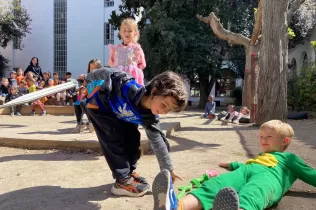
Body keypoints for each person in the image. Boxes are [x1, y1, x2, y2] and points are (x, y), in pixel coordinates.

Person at [152, 120, 316, 210]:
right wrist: (231, 164)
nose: (263, 140)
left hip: (269, 177)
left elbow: (310, 174)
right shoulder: (260, 156)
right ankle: (176, 206)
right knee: (216, 184)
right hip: (245, 171)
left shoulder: (289, 158)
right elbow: (245, 166)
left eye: (269, 136)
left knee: (254, 192)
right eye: (261, 136)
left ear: (284, 141)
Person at [78, 68, 188, 197]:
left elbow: (158, 143)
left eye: (169, 110)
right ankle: (122, 181)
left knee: (133, 138)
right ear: (154, 91)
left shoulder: (149, 118)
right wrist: (87, 77)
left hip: (120, 116)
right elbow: (106, 72)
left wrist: (168, 169)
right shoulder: (126, 85)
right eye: (164, 105)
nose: (164, 112)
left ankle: (129, 174)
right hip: (100, 109)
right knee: (114, 139)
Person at [108, 18, 146, 85]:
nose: (127, 33)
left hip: (132, 80)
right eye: (124, 30)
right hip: (118, 79)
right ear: (121, 33)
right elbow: (111, 63)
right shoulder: (116, 49)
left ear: (135, 33)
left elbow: (142, 64)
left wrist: (133, 69)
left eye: (130, 31)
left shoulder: (137, 49)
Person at [78, 59, 103, 133]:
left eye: (93, 67)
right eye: (90, 67)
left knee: (86, 103)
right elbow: (88, 89)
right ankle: (86, 122)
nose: (91, 69)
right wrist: (85, 92)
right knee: (80, 103)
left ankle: (92, 122)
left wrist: (91, 94)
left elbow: (99, 86)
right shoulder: (89, 78)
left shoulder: (100, 76)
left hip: (98, 98)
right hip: (91, 98)